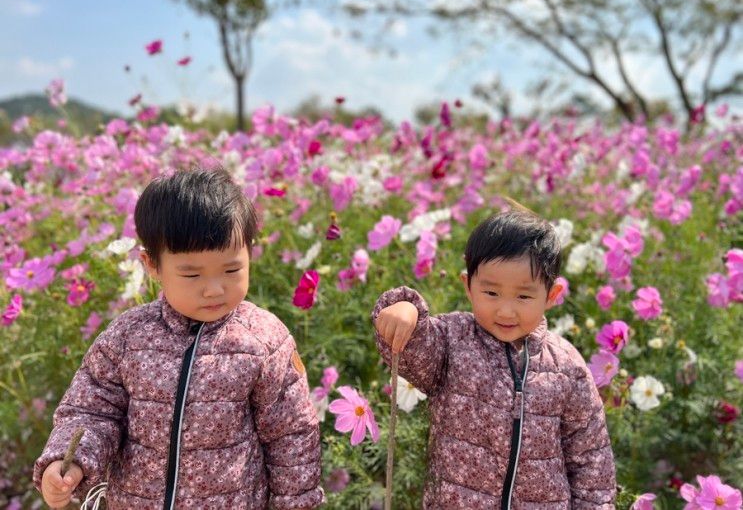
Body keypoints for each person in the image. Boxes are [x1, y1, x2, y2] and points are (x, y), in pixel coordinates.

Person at [34, 167, 323, 509]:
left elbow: (291, 435)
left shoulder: (264, 341)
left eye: (232, 269)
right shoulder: (127, 337)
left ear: (249, 252)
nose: (214, 289)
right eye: (191, 273)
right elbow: (90, 412)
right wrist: (69, 462)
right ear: (151, 265)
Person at [373, 209, 616, 509]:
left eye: (524, 297)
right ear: (468, 286)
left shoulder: (568, 368)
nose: (505, 311)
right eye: (491, 292)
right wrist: (404, 310)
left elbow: (591, 461)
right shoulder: (452, 341)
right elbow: (411, 350)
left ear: (552, 295)